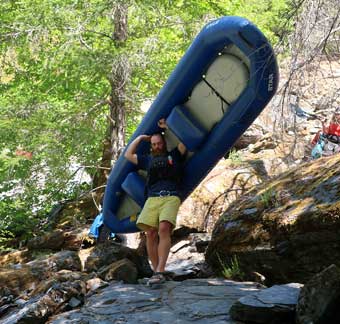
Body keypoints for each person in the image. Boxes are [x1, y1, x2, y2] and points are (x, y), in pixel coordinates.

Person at [124, 118, 186, 284]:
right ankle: (157, 271)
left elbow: (185, 141)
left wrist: (168, 127)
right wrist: (139, 138)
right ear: (151, 146)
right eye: (154, 144)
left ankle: (160, 271)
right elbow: (128, 155)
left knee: (164, 228)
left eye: (159, 143)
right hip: (152, 198)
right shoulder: (147, 160)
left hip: (171, 196)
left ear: (163, 143)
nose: (157, 146)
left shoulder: (174, 154)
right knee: (150, 233)